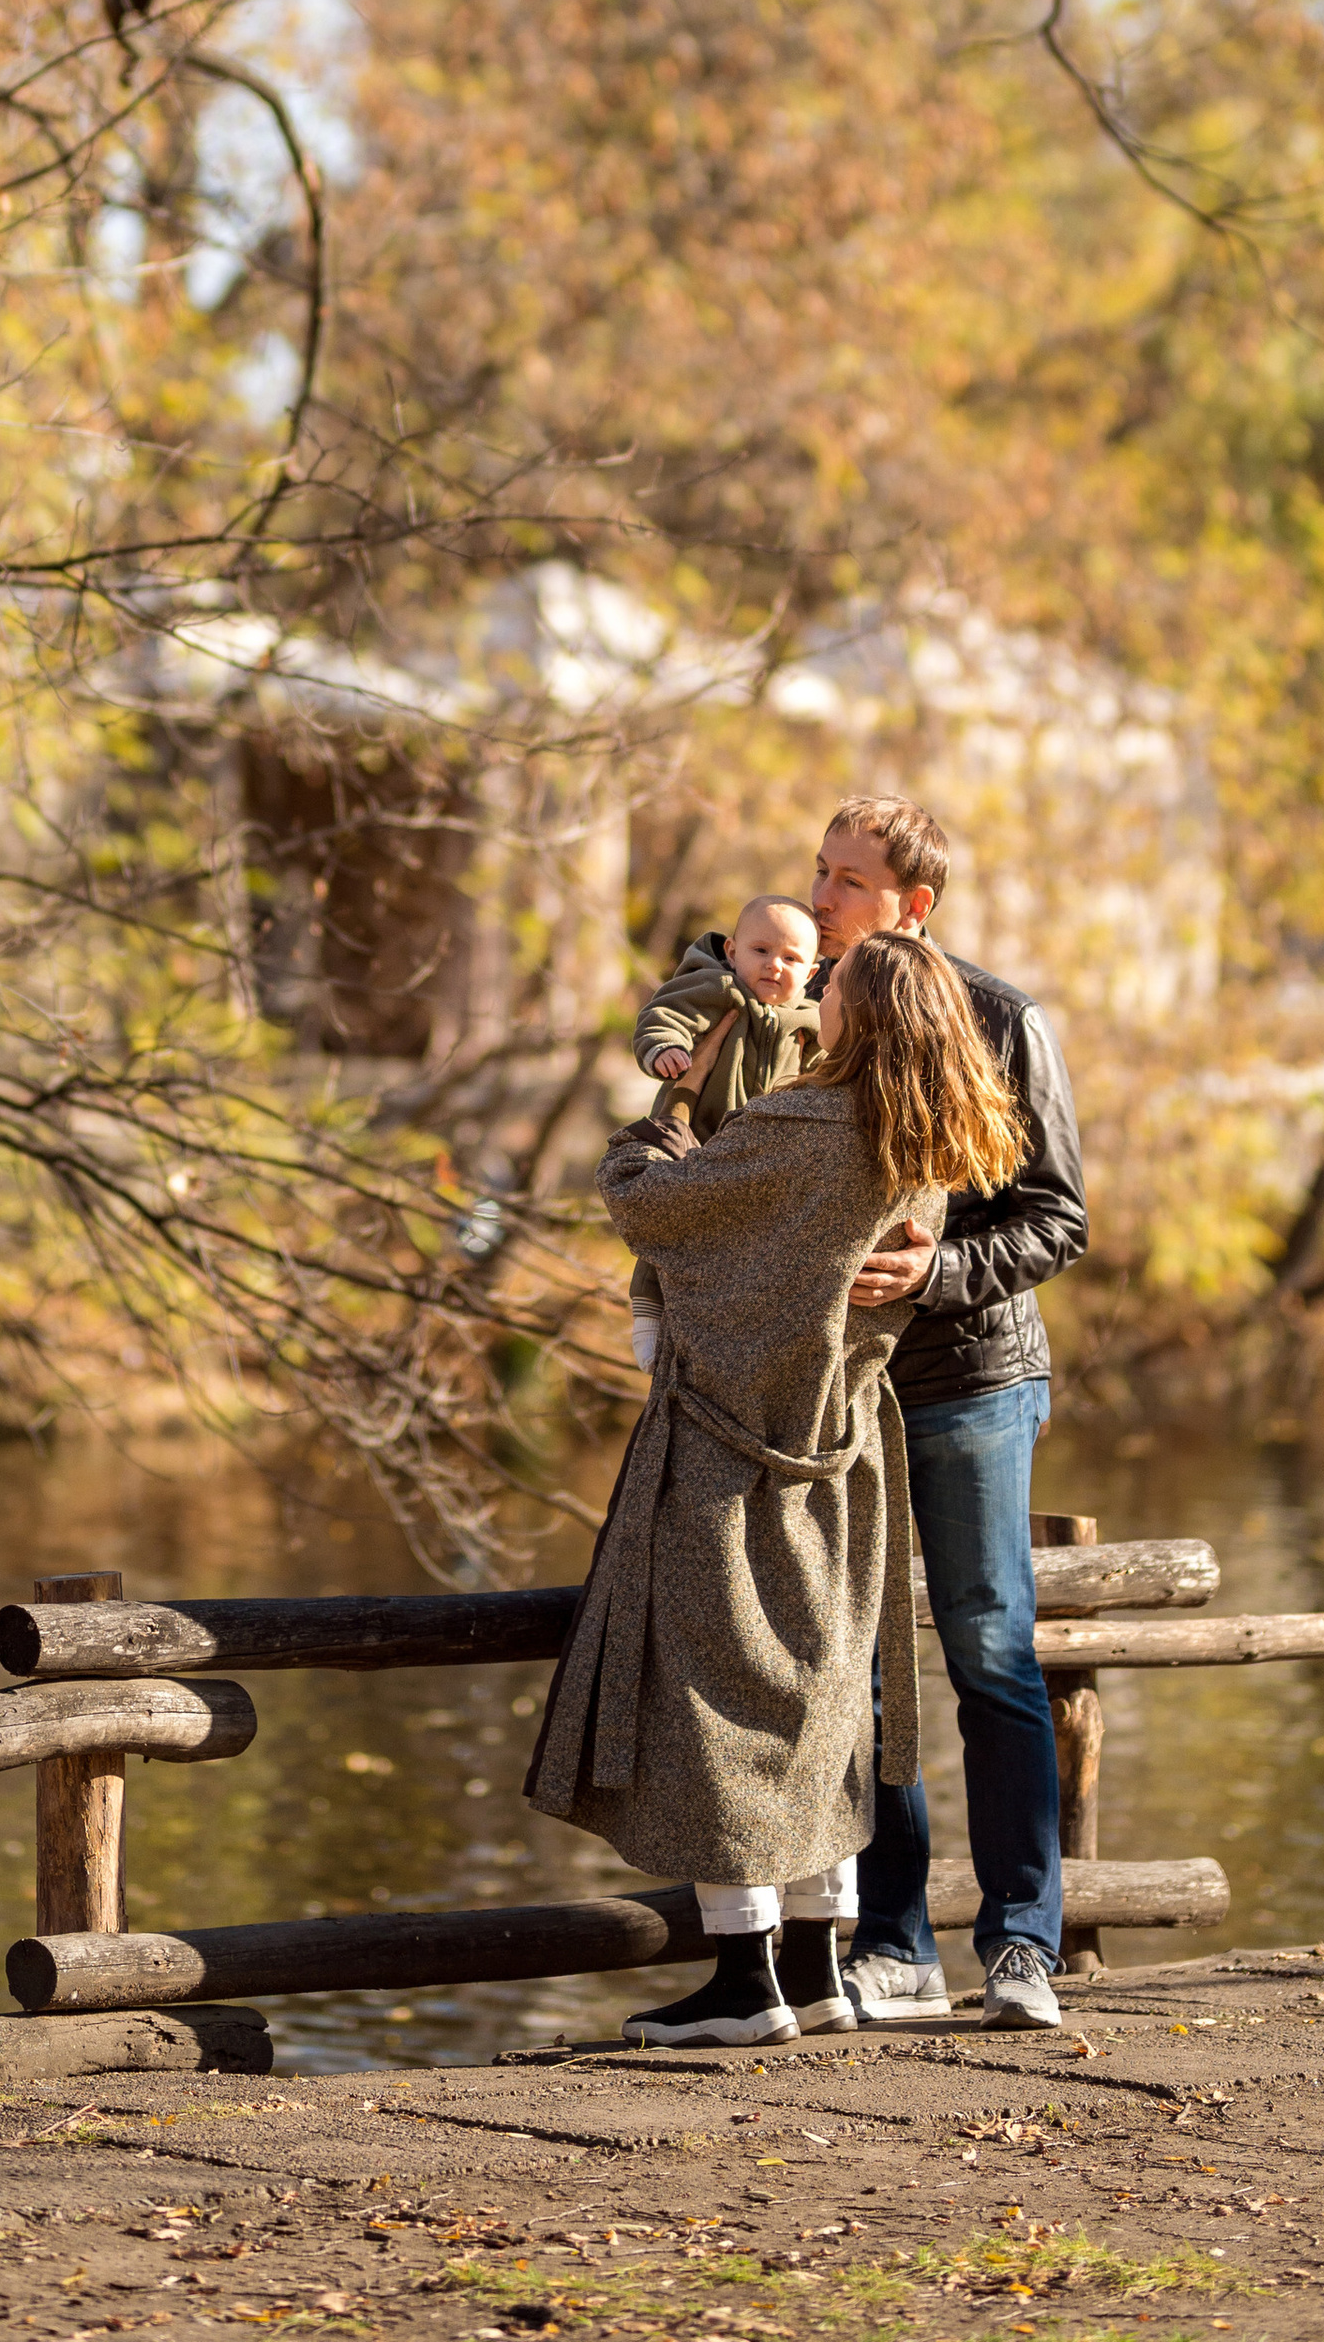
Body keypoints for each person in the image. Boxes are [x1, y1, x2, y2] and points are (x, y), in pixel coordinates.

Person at [525, 928, 1025, 2050]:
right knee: (818, 1707)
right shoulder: (926, 1142)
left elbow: (655, 1210)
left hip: (729, 1449)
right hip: (841, 1456)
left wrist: (665, 1116)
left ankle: (744, 1983)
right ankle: (815, 1974)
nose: (818, 998)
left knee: (717, 1705)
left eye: (834, 987)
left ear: (865, 1014)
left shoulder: (805, 1124)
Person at [811, 795, 1089, 2035]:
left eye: (849, 881)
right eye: (818, 873)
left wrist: (935, 1274)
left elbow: (1057, 1218)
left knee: (987, 1656)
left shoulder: (1000, 1020)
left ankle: (1023, 1946)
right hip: (842, 1394)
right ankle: (894, 1947)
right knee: (866, 1676)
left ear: (914, 907)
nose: (823, 899)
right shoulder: (795, 1011)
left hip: (974, 1379)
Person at [623, 895, 821, 1370]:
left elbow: (824, 1074)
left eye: (792, 958)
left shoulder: (811, 1023)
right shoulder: (716, 990)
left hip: (763, 1156)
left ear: (812, 973)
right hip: (698, 1133)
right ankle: (648, 1304)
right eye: (761, 951)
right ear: (732, 952)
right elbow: (663, 1015)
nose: (775, 965)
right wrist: (664, 1049)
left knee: (744, 1240)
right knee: (674, 1218)